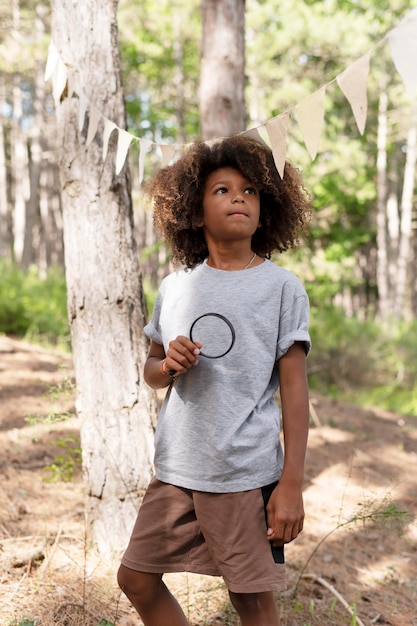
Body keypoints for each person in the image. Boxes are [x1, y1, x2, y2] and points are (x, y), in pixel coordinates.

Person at [117, 135, 312, 626]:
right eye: (221, 190)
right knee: (135, 578)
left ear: (266, 210)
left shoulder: (281, 288)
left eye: (249, 190)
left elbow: (294, 389)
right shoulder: (176, 286)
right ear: (194, 211)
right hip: (178, 467)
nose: (238, 197)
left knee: (250, 600)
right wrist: (168, 365)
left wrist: (290, 483)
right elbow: (153, 371)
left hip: (243, 473)